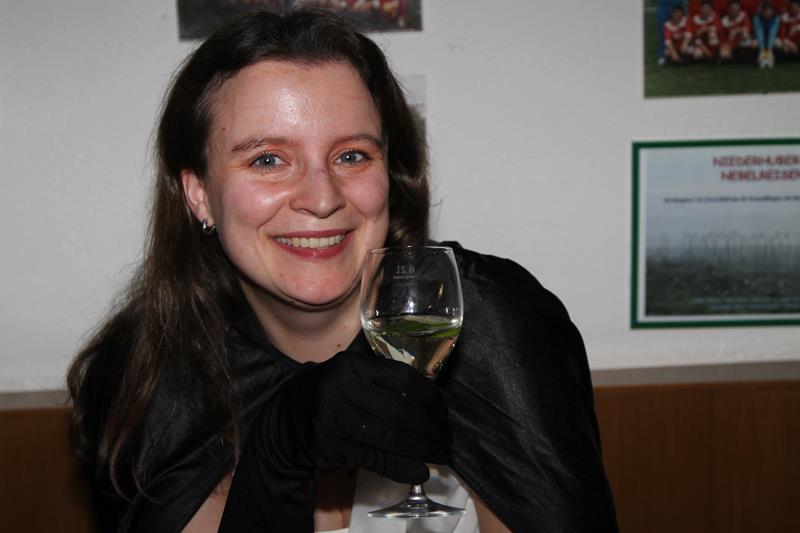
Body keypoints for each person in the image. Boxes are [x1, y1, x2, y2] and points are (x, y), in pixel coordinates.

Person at [67, 8, 617, 533]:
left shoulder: (495, 332)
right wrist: (275, 454)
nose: (322, 197)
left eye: (351, 155)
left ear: (389, 173)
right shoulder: (144, 374)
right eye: (267, 159)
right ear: (200, 194)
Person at [753, 1, 783, 67]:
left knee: (779, 44)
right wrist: (762, 50)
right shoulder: (757, 19)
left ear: (772, 11)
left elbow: (772, 33)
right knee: (753, 44)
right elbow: (759, 34)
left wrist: (769, 50)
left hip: (772, 39)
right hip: (760, 39)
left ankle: (771, 58)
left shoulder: (776, 19)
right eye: (766, 10)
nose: (768, 12)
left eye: (770, 10)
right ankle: (760, 58)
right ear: (762, 12)